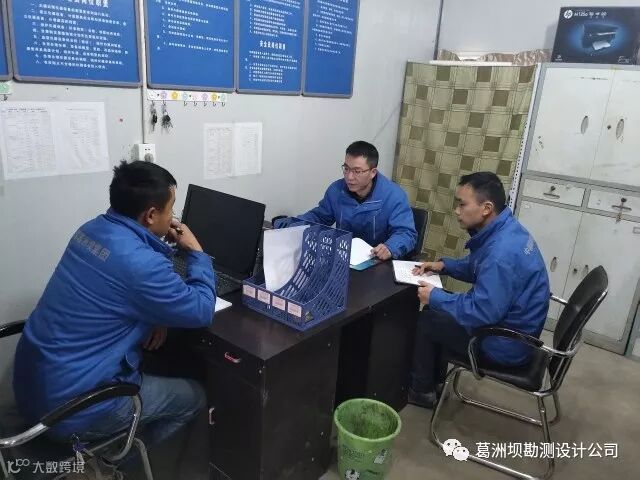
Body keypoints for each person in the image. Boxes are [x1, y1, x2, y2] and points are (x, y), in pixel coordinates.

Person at [13, 161, 216, 448]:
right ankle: (122, 462)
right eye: (171, 209)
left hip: (32, 388)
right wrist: (196, 253)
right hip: (75, 410)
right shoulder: (141, 265)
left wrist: (156, 315)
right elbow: (203, 310)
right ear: (151, 215)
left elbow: (115, 292)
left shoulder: (91, 230)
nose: (173, 218)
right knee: (194, 397)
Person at [409, 172, 550, 408]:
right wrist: (445, 266)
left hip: (505, 343)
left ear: (486, 208)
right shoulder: (508, 230)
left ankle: (422, 392)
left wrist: (434, 297)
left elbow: (482, 312)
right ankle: (436, 383)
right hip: (517, 330)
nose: (457, 211)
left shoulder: (501, 254)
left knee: (427, 320)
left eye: (462, 204)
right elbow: (479, 266)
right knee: (438, 312)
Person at [280, 141, 417, 260]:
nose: (349, 177)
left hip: (378, 263)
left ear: (373, 172)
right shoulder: (336, 190)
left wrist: (390, 247)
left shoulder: (394, 195)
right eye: (346, 169)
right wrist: (292, 225)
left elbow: (406, 233)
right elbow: (319, 217)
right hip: (343, 259)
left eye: (357, 171)